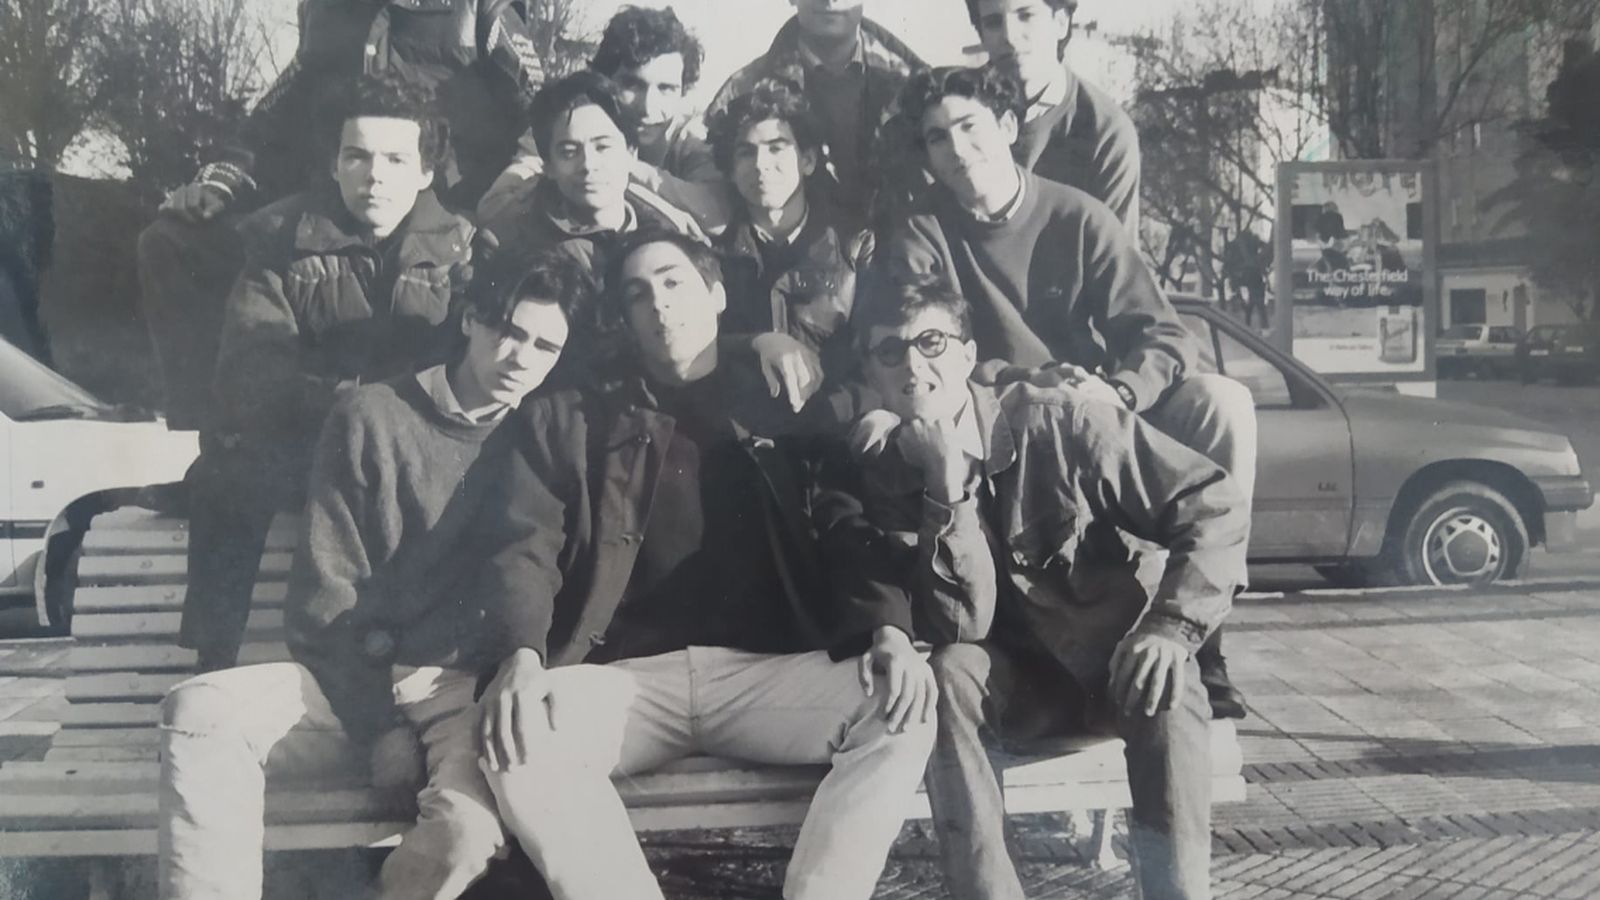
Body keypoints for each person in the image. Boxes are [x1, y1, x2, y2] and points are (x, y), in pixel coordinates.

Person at [468, 229, 936, 900]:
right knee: (514, 738)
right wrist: (519, 654)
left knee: (903, 705)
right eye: (637, 294)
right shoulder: (576, 417)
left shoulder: (785, 403)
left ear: (717, 295)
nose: (658, 303)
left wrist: (887, 628)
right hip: (627, 681)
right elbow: (526, 544)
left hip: (767, 677)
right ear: (624, 319)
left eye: (673, 282)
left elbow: (844, 519)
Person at [159, 250, 592, 900]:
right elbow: (326, 595)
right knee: (198, 713)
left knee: (465, 837)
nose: (520, 358)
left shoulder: (542, 439)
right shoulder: (372, 415)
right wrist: (378, 725)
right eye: (508, 331)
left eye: (544, 346)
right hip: (346, 688)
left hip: (461, 701)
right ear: (470, 320)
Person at [839, 279, 1250, 899]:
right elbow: (960, 628)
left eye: (931, 342)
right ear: (872, 372)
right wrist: (945, 488)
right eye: (890, 351)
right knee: (947, 674)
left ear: (968, 354)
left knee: (1168, 678)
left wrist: (1172, 627)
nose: (913, 366)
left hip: (1116, 665)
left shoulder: (1062, 421)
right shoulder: (887, 469)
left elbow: (1211, 502)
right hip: (1014, 685)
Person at [881, 62, 1256, 718]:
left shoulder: (1078, 217)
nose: (958, 148)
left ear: (1007, 126)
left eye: (969, 126)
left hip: (1094, 419)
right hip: (999, 423)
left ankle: (1202, 632)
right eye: (938, 137)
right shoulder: (923, 234)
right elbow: (922, 346)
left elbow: (1165, 335)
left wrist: (1121, 391)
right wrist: (1031, 382)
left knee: (1225, 402)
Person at [178, 77, 475, 672]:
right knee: (223, 477)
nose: (375, 176)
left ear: (425, 171)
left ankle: (441, 671)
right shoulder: (278, 241)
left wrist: (390, 421)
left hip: (418, 453)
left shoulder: (465, 250)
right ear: (334, 165)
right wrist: (351, 407)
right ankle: (214, 664)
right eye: (357, 156)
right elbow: (253, 371)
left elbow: (471, 366)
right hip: (311, 447)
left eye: (396, 159)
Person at [137, 0, 544, 430]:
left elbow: (543, 107)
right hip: (339, 199)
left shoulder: (481, 9)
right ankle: (218, 432)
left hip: (446, 210)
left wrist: (519, 176)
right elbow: (277, 112)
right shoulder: (326, 10)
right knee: (172, 241)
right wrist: (224, 176)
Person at [479, 6, 735, 233]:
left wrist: (624, 168)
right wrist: (640, 195)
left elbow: (716, 217)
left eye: (666, 88)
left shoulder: (687, 137)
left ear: (683, 91)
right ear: (603, 81)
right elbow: (493, 208)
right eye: (632, 84)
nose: (648, 107)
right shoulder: (567, 123)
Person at [707, 76, 874, 413]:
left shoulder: (855, 244)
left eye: (776, 147)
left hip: (841, 424)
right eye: (745, 152)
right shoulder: (712, 252)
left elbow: (878, 348)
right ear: (731, 170)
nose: (760, 165)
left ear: (807, 160)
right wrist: (756, 343)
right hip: (742, 427)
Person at [709, 0, 925, 228]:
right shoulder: (742, 93)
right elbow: (710, 186)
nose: (830, 0)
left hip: (904, 244)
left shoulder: (918, 88)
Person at [965, 0, 1141, 231]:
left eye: (1026, 15)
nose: (1009, 36)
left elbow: (1115, 250)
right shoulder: (953, 115)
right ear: (981, 34)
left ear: (1060, 22)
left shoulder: (1105, 131)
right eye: (993, 22)